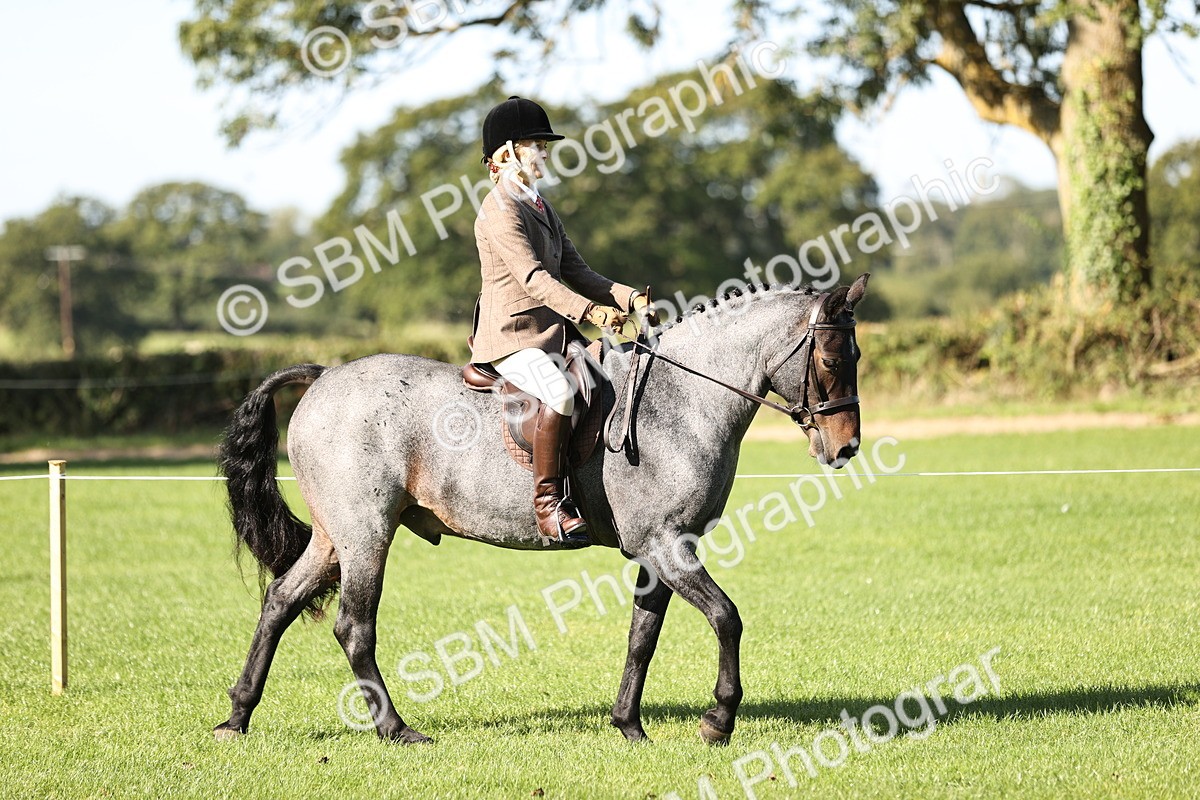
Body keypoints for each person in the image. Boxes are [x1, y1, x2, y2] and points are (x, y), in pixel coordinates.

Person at [470, 96, 651, 543]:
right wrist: (591, 313)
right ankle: (548, 505)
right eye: (539, 144)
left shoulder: (541, 207)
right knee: (559, 393)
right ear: (510, 152)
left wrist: (630, 298)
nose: (546, 153)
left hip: (550, 334)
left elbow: (577, 271)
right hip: (511, 338)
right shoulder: (498, 210)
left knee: (609, 373)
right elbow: (533, 278)